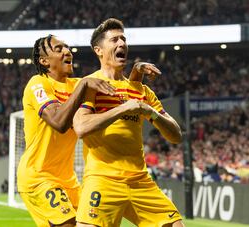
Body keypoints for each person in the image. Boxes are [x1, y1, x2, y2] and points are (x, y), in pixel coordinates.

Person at [73, 18, 185, 227]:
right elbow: (81, 127)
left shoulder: (141, 90)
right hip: (103, 179)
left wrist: (150, 112)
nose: (122, 44)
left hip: (140, 180)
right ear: (99, 50)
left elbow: (176, 135)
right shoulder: (91, 85)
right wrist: (123, 108)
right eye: (114, 40)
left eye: (123, 39)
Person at [17, 34, 116, 227]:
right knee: (69, 223)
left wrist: (137, 75)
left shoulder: (78, 85)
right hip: (38, 177)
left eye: (67, 47)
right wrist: (84, 85)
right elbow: (59, 122)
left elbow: (118, 87)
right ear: (44, 61)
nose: (66, 51)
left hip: (68, 181)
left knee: (92, 223)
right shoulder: (38, 83)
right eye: (58, 49)